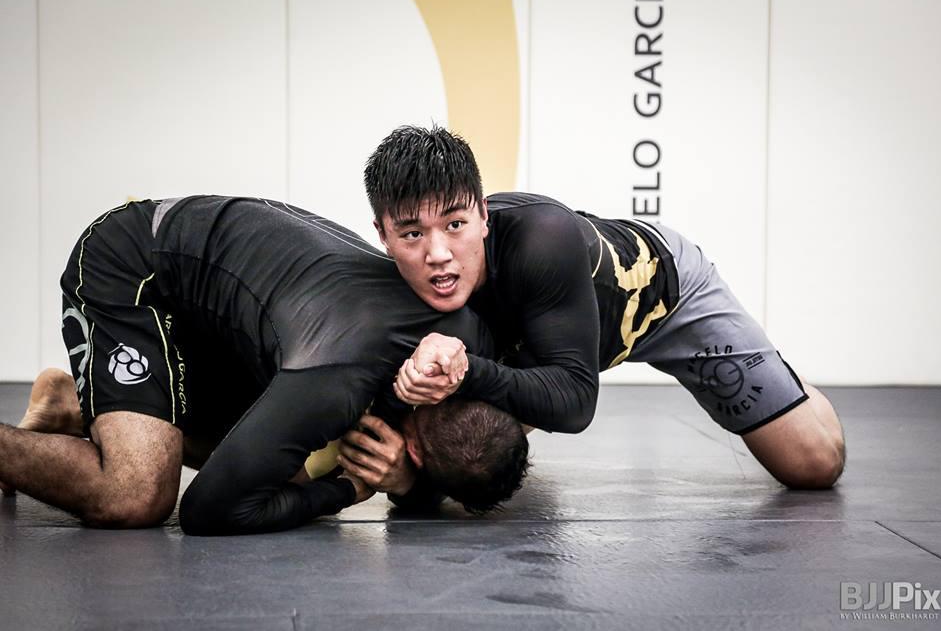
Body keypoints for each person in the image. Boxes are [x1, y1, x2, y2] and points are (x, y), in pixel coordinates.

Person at [352, 125, 845, 492]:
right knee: (463, 451)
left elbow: (576, 404)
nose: (437, 254)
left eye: (455, 224)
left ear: (483, 214)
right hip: (544, 347)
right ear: (384, 235)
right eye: (413, 233)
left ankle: (788, 385)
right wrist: (405, 479)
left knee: (814, 466)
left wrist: (467, 375)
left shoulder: (542, 240)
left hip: (664, 300)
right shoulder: (396, 284)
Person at [0, 195, 528, 535]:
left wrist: (410, 483)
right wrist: (347, 491)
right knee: (137, 495)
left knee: (289, 465)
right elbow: (210, 511)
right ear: (412, 447)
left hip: (232, 311)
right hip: (135, 264)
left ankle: (74, 404)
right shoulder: (337, 378)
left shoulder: (464, 340)